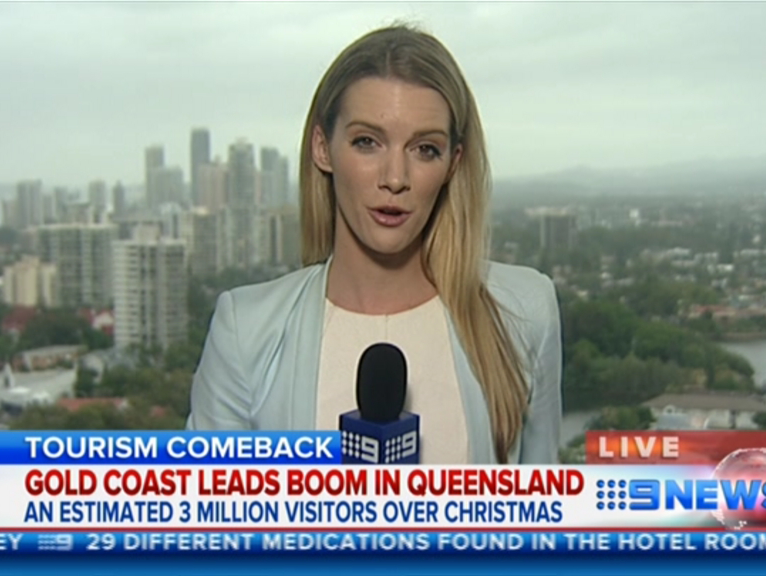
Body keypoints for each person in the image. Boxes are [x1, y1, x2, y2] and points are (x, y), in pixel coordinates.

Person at [186, 24, 562, 464]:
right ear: (323, 148)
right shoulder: (246, 332)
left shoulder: (523, 312)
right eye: (367, 142)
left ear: (452, 164)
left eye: (425, 149)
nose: (395, 178)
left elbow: (545, 500)